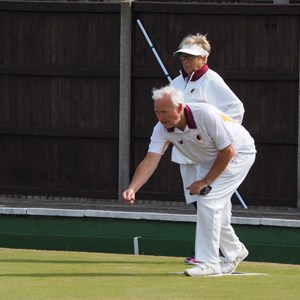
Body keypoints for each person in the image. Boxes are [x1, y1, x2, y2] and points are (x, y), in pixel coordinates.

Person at [122, 85, 256, 276]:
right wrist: (133, 188)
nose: (160, 117)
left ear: (179, 108)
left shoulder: (205, 114)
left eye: (164, 112)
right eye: (156, 112)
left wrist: (205, 182)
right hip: (210, 160)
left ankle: (209, 262)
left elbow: (228, 151)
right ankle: (235, 251)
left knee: (207, 200)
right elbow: (151, 160)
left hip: (238, 154)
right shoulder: (162, 129)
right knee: (216, 213)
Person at [170, 34, 245, 265]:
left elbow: (235, 109)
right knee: (200, 204)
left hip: (212, 156)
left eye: (191, 57)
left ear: (203, 58)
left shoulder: (212, 80)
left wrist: (218, 139)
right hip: (186, 155)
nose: (186, 61)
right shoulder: (175, 83)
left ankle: (212, 255)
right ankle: (229, 251)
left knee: (210, 204)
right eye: (183, 56)